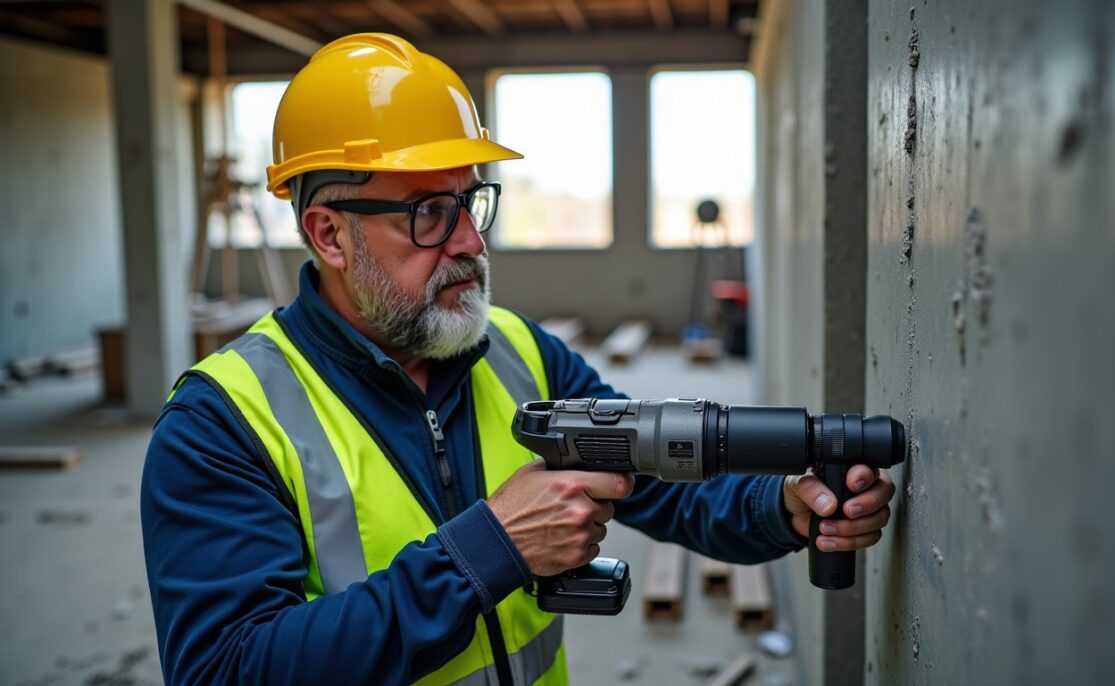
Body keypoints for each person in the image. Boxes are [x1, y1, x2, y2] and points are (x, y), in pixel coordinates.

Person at [141, 33, 896, 685]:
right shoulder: (223, 424)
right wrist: (486, 550)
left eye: (471, 202)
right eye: (428, 212)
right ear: (330, 235)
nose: (469, 241)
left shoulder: (514, 349)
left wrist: (783, 508)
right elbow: (226, 668)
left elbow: (658, 486)